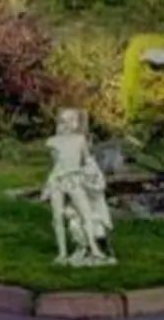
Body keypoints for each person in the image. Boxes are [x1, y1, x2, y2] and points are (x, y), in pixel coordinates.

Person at [42, 108, 115, 266]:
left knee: (86, 213)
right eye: (65, 120)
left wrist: (91, 174)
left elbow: (87, 159)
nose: (68, 123)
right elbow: (56, 163)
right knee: (57, 217)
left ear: (76, 123)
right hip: (58, 180)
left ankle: (94, 248)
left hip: (74, 178)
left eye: (72, 120)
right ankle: (62, 253)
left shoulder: (80, 140)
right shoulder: (52, 142)